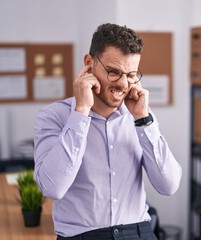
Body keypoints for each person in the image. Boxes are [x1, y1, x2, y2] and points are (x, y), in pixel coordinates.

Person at [33, 23, 182, 240]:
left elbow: (168, 185)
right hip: (83, 236)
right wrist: (81, 112)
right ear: (89, 63)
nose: (123, 84)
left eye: (131, 75)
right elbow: (52, 188)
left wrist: (143, 120)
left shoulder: (141, 117)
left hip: (138, 232)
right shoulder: (53, 116)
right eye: (113, 72)